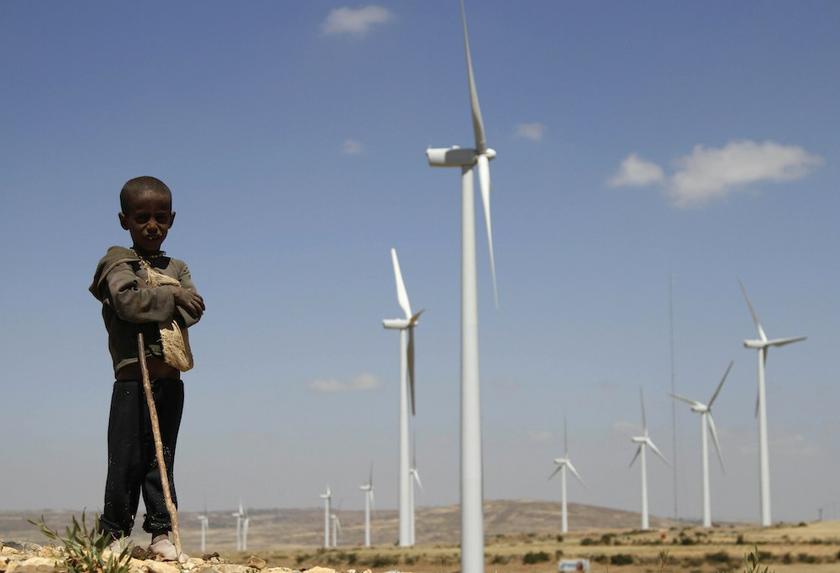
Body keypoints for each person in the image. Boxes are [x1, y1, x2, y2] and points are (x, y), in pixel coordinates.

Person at [90, 176, 205, 560]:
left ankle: (161, 532)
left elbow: (194, 309)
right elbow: (126, 302)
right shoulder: (116, 261)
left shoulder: (178, 265)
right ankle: (115, 534)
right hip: (131, 380)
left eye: (160, 217)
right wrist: (171, 294)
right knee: (125, 459)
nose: (152, 225)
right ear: (125, 220)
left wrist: (155, 297)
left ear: (172, 218)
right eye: (142, 218)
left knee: (162, 459)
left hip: (169, 381)